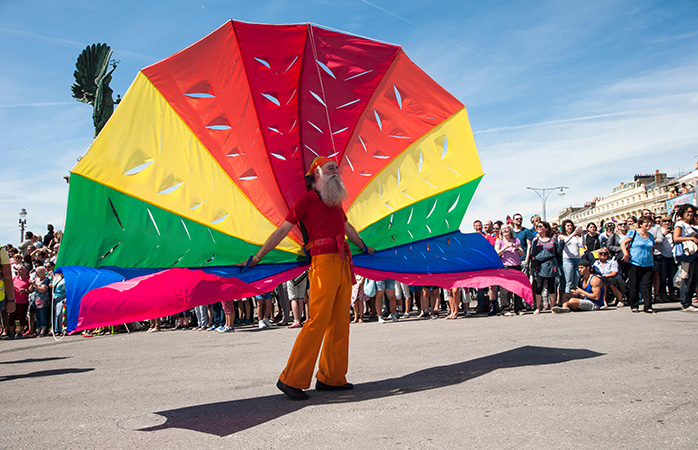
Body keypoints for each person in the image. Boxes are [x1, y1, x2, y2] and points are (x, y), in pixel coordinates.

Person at [247, 156, 374, 400]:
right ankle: (290, 379)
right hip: (322, 264)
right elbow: (282, 230)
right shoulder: (304, 201)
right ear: (315, 173)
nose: (336, 171)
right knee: (317, 321)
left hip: (343, 263)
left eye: (337, 168)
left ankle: (331, 377)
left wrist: (364, 247)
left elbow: (347, 229)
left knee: (340, 322)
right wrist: (258, 256)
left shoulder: (335, 202)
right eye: (330, 168)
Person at [621, 216, 656, 313]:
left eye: (650, 222)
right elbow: (623, 243)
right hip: (635, 262)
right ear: (641, 224)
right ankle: (634, 305)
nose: (648, 224)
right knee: (634, 284)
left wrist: (652, 261)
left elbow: (651, 249)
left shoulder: (651, 236)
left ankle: (648, 306)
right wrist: (625, 253)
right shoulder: (634, 232)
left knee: (647, 285)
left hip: (647, 263)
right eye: (646, 222)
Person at [530, 221, 561, 313]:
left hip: (551, 264)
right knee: (539, 286)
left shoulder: (552, 240)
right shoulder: (535, 240)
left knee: (551, 286)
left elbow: (558, 252)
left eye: (540, 226)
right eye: (537, 226)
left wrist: (561, 243)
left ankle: (552, 306)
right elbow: (533, 253)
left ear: (546, 228)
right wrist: (534, 243)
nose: (538, 228)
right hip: (540, 265)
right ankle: (538, 307)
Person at [495, 224, 526, 316]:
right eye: (503, 229)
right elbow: (496, 253)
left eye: (507, 229)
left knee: (518, 287)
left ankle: (518, 308)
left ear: (510, 230)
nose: (505, 230)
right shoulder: (499, 241)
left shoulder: (516, 240)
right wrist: (505, 247)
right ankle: (505, 309)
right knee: (505, 289)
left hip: (516, 265)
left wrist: (516, 247)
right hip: (505, 266)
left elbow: (522, 253)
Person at [672, 204, 698, 312]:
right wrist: (691, 238)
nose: (690, 214)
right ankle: (685, 303)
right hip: (687, 253)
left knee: (695, 278)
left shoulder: (693, 225)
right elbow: (676, 238)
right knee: (687, 278)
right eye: (687, 212)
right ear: (682, 213)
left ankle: (689, 300)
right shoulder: (680, 224)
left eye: (691, 212)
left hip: (695, 253)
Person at [559, 220, 585, 303]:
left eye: (571, 226)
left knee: (576, 281)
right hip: (567, 259)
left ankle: (575, 300)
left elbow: (583, 244)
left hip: (577, 259)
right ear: (564, 227)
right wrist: (572, 234)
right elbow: (564, 243)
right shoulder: (561, 236)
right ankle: (567, 300)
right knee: (569, 282)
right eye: (567, 226)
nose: (569, 227)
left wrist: (582, 234)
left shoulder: (576, 237)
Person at [655, 216, 677, 302]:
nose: (666, 223)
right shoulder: (659, 230)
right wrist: (663, 234)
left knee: (671, 276)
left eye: (668, 221)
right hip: (663, 255)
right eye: (664, 221)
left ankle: (672, 293)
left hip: (672, 255)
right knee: (663, 276)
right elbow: (657, 241)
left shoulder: (673, 230)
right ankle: (663, 294)